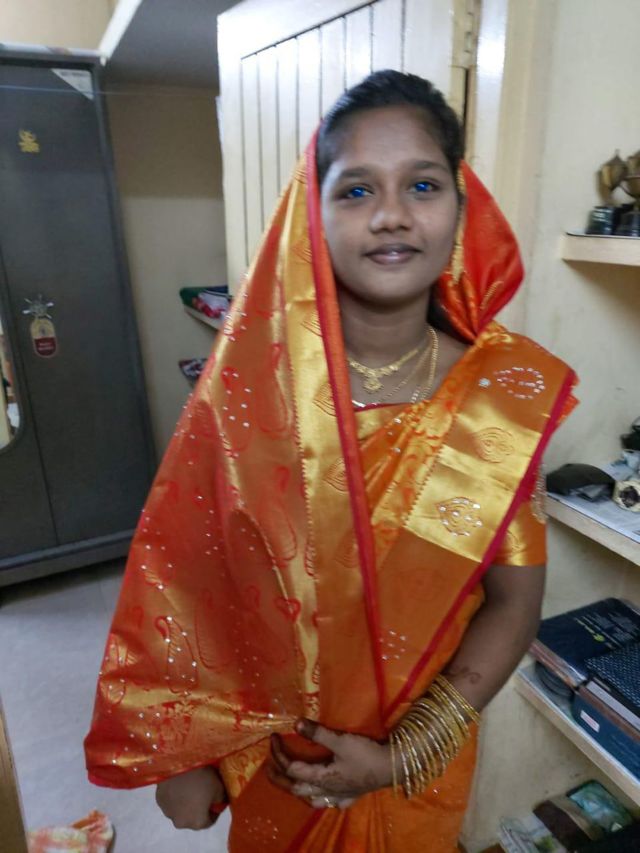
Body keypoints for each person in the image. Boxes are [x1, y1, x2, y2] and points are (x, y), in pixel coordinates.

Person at [84, 70, 577, 851]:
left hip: (417, 761)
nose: (391, 214)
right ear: (310, 214)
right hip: (274, 760)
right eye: (356, 190)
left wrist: (401, 755)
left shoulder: (502, 397)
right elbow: (191, 580)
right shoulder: (250, 393)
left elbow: (514, 603)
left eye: (422, 185)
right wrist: (189, 752)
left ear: (461, 210)